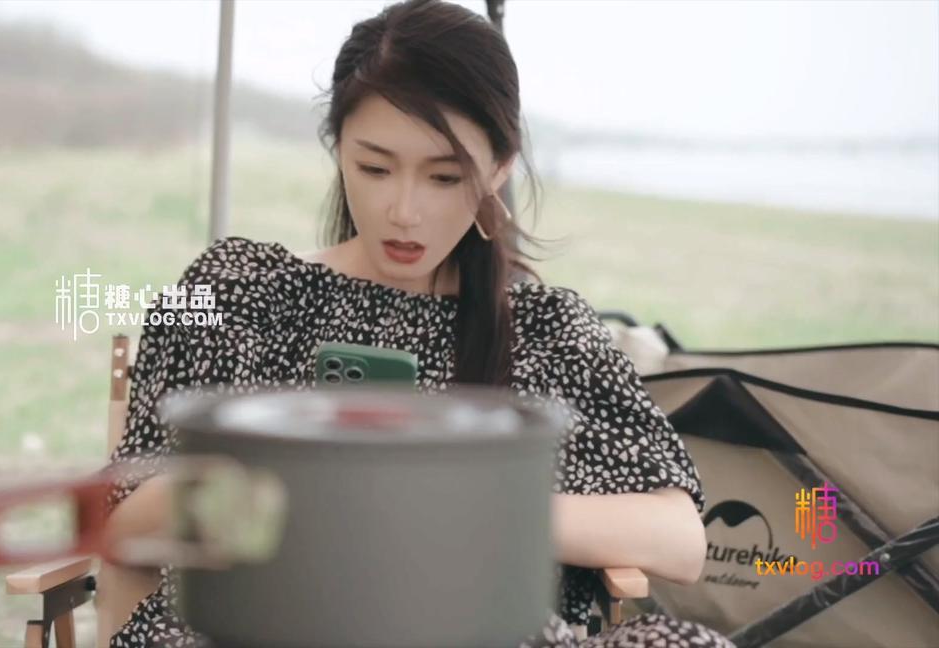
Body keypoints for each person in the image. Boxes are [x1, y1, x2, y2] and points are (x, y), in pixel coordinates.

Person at [103, 1, 735, 646]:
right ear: (338, 147)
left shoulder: (544, 330)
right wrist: (280, 489)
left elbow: (679, 540)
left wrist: (459, 507)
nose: (404, 211)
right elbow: (125, 521)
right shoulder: (240, 290)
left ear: (498, 168)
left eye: (445, 176)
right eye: (375, 168)